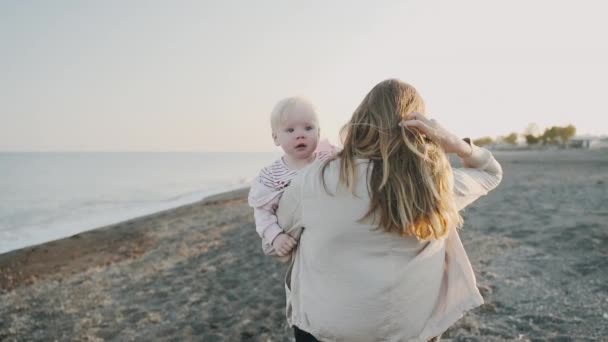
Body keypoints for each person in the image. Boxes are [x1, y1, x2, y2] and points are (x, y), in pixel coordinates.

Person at [274, 79, 503, 341]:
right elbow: (491, 172)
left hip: (326, 331)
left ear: (360, 118)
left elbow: (277, 242)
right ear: (422, 129)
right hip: (411, 332)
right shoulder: (435, 184)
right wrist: (453, 142)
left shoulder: (313, 179)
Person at [248, 96, 336, 257]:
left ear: (319, 132)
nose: (300, 135)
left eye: (308, 128)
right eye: (290, 130)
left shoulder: (329, 156)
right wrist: (275, 237)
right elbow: (263, 213)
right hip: (298, 241)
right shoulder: (272, 175)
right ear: (275, 137)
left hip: (330, 235)